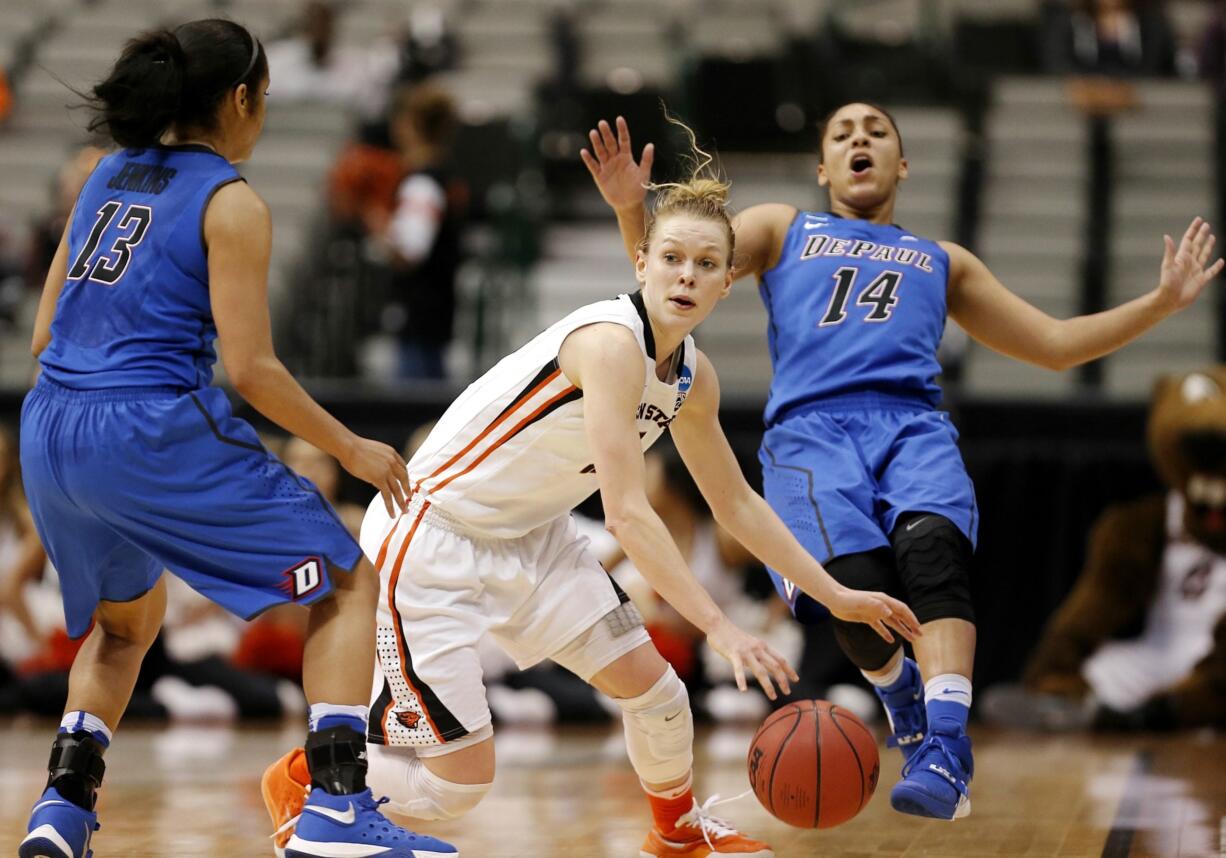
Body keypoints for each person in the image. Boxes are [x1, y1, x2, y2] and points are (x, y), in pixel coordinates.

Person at [262, 123, 922, 858]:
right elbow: (628, 517)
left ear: (727, 280)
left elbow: (737, 504)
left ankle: (675, 835)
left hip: (533, 535)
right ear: (641, 261)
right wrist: (721, 628)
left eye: (706, 264)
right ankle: (312, 787)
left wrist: (837, 597)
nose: (686, 275)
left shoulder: (692, 378)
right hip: (432, 537)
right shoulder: (608, 345)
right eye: (670, 258)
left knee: (662, 695)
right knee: (458, 788)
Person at [581, 105, 1224, 821]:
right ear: (823, 168)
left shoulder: (944, 259)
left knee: (935, 558)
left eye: (878, 132)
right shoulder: (782, 227)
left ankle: (945, 745)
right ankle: (904, 702)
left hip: (912, 428)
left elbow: (1056, 343)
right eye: (843, 133)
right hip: (810, 436)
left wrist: (1161, 304)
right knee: (850, 594)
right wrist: (630, 212)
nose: (860, 137)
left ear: (903, 166)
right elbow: (678, 277)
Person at [16, 20, 455, 858]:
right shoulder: (231, 199)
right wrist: (354, 448)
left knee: (122, 628)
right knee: (344, 583)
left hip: (50, 423)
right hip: (144, 423)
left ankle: (61, 812)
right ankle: (335, 808)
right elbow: (252, 372)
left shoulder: (104, 176)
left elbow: (42, 336)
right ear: (240, 99)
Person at [363, 82, 464, 381]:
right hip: (434, 311)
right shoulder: (442, 174)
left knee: (415, 407)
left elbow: (410, 252)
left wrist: (378, 225)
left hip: (419, 315)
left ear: (411, 126)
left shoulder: (422, 183)